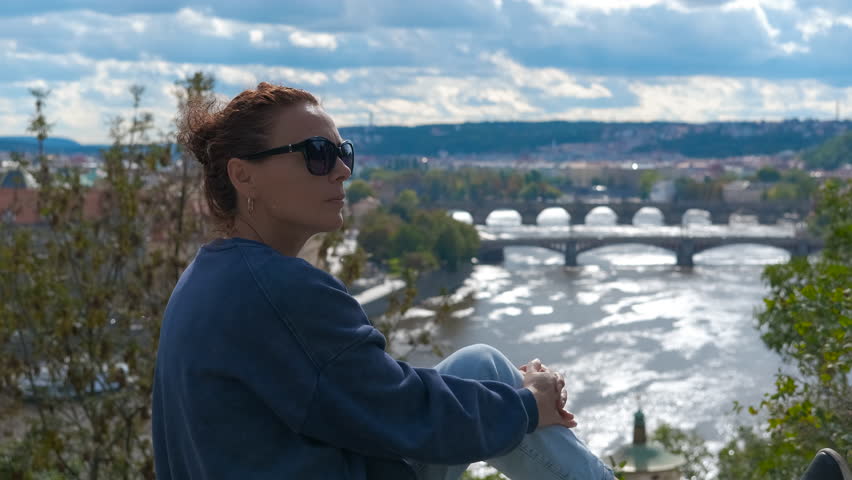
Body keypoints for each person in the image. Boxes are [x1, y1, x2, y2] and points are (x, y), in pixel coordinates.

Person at [151, 81, 615, 479]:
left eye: (342, 152)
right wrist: (529, 405)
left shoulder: (207, 276)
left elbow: (376, 401)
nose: (343, 170)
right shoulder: (279, 289)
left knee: (481, 364)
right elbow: (406, 412)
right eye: (317, 154)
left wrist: (517, 398)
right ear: (243, 175)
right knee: (498, 383)